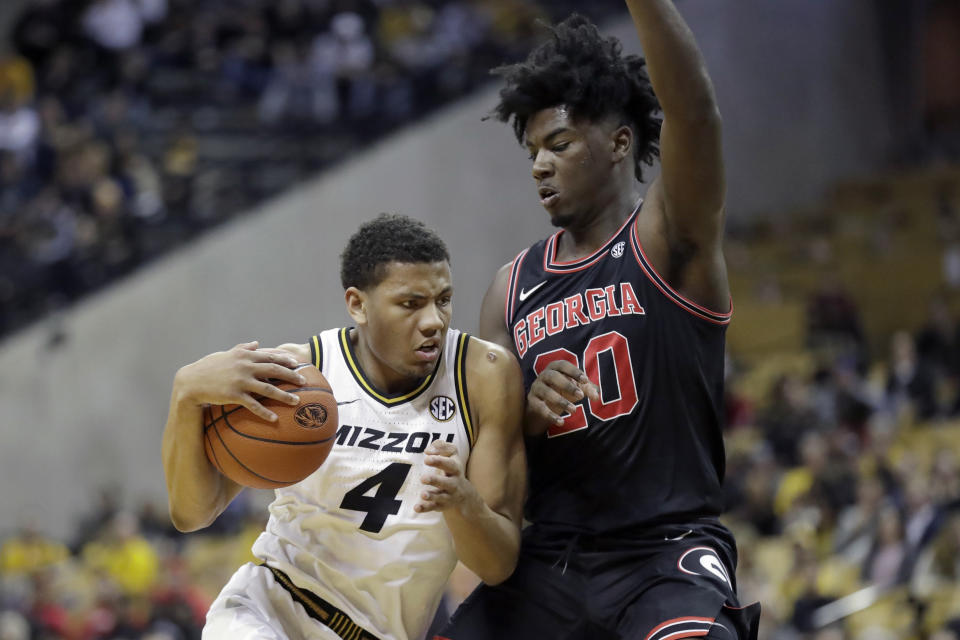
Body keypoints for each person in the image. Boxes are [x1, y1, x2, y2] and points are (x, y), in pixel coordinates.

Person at [436, 3, 760, 639]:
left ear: (619, 143)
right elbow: (495, 476)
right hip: (552, 559)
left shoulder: (669, 239)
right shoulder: (510, 290)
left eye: (558, 144)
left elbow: (694, 111)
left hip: (663, 551)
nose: (538, 164)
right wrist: (526, 416)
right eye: (532, 150)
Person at [162, 213, 526, 640]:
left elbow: (498, 564)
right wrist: (186, 395)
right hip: (269, 607)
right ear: (357, 304)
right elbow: (192, 513)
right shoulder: (301, 373)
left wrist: (464, 504)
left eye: (443, 300)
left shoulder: (482, 375)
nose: (434, 321)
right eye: (410, 304)